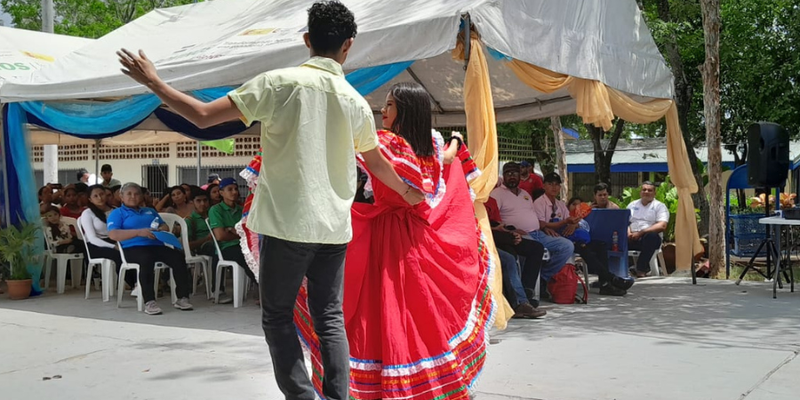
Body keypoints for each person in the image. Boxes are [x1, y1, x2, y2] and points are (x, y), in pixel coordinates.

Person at [117, 2, 424, 398]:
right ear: (349, 46)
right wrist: (410, 194)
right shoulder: (355, 103)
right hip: (333, 229)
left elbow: (203, 116)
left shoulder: (278, 84)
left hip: (288, 225)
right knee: (329, 319)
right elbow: (379, 165)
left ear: (307, 40)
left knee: (277, 315)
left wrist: (154, 82)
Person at [107, 183, 194, 315]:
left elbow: (164, 225)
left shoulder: (150, 211)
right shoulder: (117, 213)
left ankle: (182, 298)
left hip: (155, 245)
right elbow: (113, 234)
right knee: (146, 260)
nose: (133, 196)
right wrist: (138, 232)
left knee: (177, 257)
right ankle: (149, 302)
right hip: (132, 248)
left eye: (136, 194)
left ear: (141, 196)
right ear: (121, 196)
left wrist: (162, 229)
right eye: (129, 194)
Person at [492, 164, 570, 285]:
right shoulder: (497, 194)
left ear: (520, 175)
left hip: (538, 232)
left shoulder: (525, 194)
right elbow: (494, 220)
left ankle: (543, 278)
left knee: (567, 246)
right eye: (508, 174)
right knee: (533, 250)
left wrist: (544, 227)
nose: (512, 176)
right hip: (518, 235)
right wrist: (511, 230)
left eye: (515, 173)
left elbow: (533, 216)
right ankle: (528, 287)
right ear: (504, 176)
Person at [564, 196, 632, 296]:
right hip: (570, 242)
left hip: (584, 241)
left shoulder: (582, 219)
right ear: (568, 206)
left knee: (601, 245)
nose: (576, 207)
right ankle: (610, 279)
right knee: (586, 251)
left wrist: (576, 223)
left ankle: (605, 283)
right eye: (573, 204)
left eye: (579, 205)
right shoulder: (565, 216)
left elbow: (586, 230)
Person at [208, 177, 256, 303]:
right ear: (221, 192)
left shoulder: (242, 209)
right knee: (247, 258)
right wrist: (239, 234)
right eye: (230, 189)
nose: (234, 192)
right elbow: (220, 236)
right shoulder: (216, 210)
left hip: (244, 244)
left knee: (260, 255)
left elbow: (250, 231)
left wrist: (232, 230)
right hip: (226, 247)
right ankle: (263, 289)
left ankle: (263, 288)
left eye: (236, 189)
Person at [79, 185, 135, 288]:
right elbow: (92, 238)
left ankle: (140, 282)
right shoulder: (87, 213)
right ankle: (133, 284)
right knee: (118, 255)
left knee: (134, 252)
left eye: (101, 194)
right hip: (95, 245)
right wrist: (113, 247)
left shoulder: (116, 210)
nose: (100, 198)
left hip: (116, 241)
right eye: (95, 196)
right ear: (90, 199)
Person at [627, 181, 669, 278]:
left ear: (655, 193)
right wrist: (628, 232)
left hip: (649, 239)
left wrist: (641, 233)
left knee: (651, 236)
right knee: (615, 237)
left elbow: (662, 226)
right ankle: (619, 270)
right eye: (644, 189)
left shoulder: (659, 206)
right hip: (632, 237)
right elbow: (625, 222)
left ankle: (641, 269)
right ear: (640, 192)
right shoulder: (632, 205)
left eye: (649, 190)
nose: (646, 192)